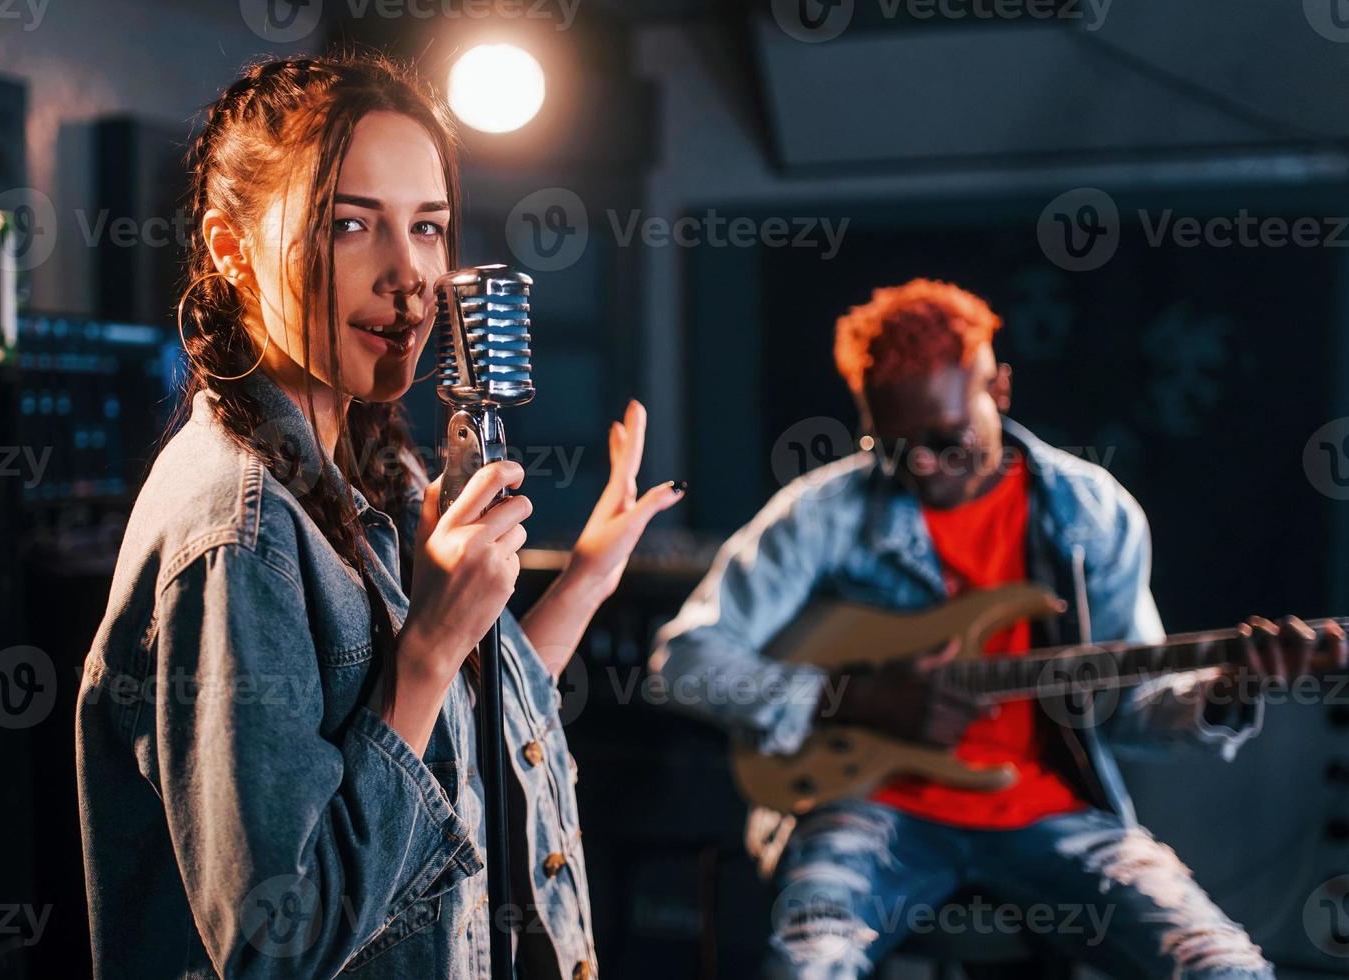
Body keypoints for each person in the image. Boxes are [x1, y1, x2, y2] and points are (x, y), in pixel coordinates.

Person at [75, 54, 683, 980]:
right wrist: (431, 643)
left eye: (428, 227)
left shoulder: (380, 466)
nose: (409, 274)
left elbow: (459, 729)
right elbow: (280, 942)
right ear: (233, 252)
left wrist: (584, 579)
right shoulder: (235, 537)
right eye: (350, 223)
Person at [650, 278, 1346, 978]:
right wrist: (852, 698)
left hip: (1057, 813)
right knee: (807, 968)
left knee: (1228, 969)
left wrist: (1230, 688)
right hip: (867, 809)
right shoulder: (822, 511)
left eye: (944, 440)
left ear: (1000, 390)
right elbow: (682, 660)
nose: (921, 465)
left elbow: (1129, 709)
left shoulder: (1092, 512)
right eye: (892, 446)